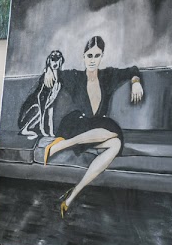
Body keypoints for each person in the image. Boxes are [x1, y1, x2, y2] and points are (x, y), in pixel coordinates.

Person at [41, 36, 142, 218]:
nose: (93, 60)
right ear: (83, 56)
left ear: (102, 56)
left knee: (116, 143)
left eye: (97, 55)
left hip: (97, 129)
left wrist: (135, 82)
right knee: (111, 134)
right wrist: (48, 71)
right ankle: (61, 144)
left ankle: (71, 196)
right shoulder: (75, 77)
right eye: (89, 55)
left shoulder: (108, 76)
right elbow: (55, 73)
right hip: (76, 123)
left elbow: (133, 70)